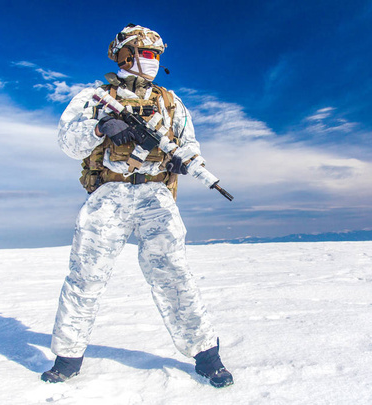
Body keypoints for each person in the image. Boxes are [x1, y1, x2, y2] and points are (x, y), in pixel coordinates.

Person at [41, 24, 234, 389]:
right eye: (147, 54)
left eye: (157, 56)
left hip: (155, 195)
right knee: (86, 276)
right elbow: (68, 143)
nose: (153, 62)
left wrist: (185, 161)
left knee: (174, 274)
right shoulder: (94, 96)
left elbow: (189, 143)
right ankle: (67, 358)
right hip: (108, 196)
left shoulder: (170, 101)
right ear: (126, 55)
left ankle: (207, 356)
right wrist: (102, 128)